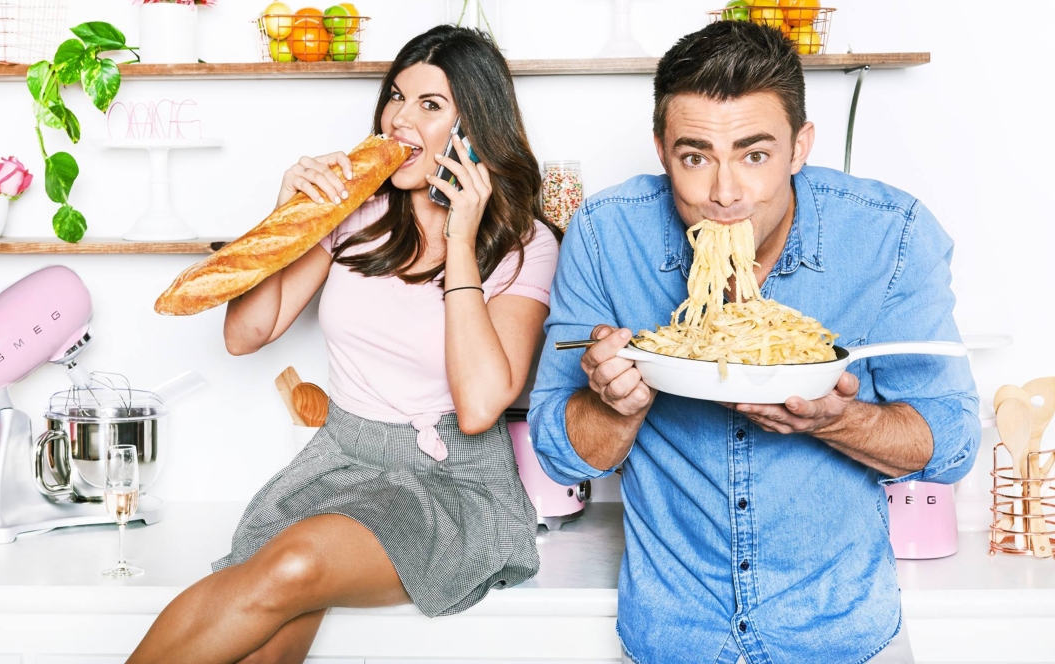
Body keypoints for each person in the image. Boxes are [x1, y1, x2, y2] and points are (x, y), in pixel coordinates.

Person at [529, 20, 979, 664]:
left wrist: (836, 419)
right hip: (674, 633)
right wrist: (614, 405)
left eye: (755, 155)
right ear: (662, 151)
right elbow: (559, 456)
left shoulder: (889, 236)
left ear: (800, 147)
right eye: (695, 158)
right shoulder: (605, 235)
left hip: (840, 634)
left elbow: (951, 444)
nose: (725, 194)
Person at [129, 25, 560, 664]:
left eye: (430, 105)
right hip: (338, 462)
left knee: (293, 565)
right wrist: (286, 217)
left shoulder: (527, 246)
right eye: (396, 98)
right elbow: (245, 336)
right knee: (264, 648)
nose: (399, 120)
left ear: (475, 130)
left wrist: (461, 241)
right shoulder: (355, 212)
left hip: (449, 484)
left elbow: (477, 408)